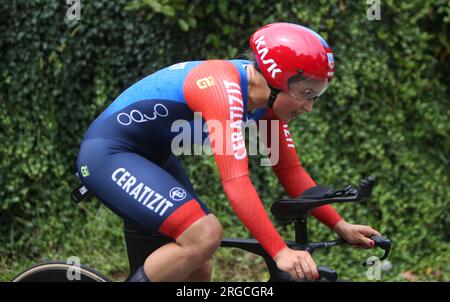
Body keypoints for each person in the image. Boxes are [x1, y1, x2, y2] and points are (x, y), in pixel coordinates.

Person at [76, 22, 381, 282]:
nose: (310, 107)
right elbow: (236, 183)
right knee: (204, 236)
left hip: (151, 156)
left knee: (198, 265)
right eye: (305, 94)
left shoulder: (265, 104)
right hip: (109, 155)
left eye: (317, 95)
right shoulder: (222, 88)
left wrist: (340, 225)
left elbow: (290, 171)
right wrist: (279, 252)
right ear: (275, 81)